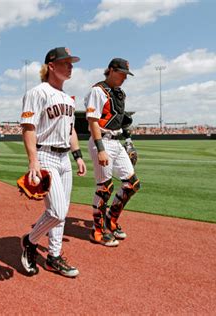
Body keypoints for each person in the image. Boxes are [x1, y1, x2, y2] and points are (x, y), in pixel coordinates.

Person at [19, 47, 87, 278]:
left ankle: (54, 257)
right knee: (56, 211)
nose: (70, 66)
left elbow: (71, 130)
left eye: (71, 63)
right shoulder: (37, 92)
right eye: (65, 62)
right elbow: (28, 128)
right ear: (51, 66)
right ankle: (30, 240)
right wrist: (33, 161)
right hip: (45, 154)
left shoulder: (68, 98)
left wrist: (77, 156)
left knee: (63, 211)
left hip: (64, 157)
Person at [84, 58, 140, 247]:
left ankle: (110, 218)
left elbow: (123, 122)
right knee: (105, 187)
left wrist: (129, 143)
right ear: (111, 70)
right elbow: (92, 122)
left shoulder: (120, 93)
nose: (125, 77)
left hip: (117, 142)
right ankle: (97, 231)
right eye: (122, 73)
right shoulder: (97, 91)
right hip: (103, 142)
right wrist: (100, 150)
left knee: (132, 184)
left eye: (126, 74)